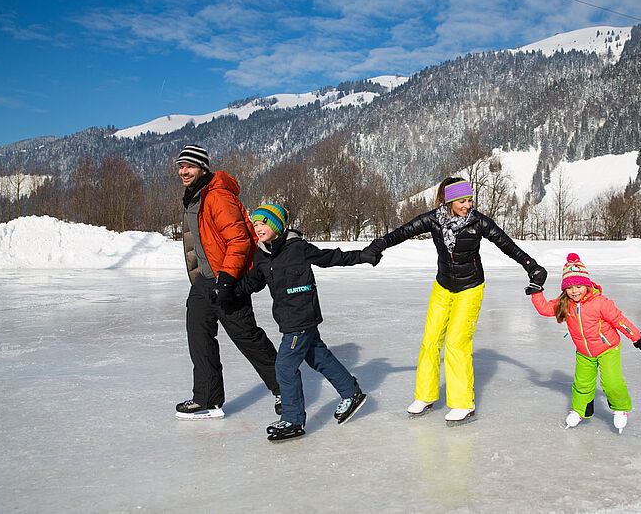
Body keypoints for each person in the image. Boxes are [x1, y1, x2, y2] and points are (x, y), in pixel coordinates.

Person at [366, 177, 547, 425]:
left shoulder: (478, 222)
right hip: (442, 286)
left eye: (470, 200)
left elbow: (507, 244)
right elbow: (405, 231)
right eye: (462, 200)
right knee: (430, 340)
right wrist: (380, 245)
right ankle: (425, 396)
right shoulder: (433, 219)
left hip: (470, 288)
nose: (467, 205)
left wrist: (532, 266)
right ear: (449, 201)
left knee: (456, 343)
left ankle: (463, 404)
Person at [235, 204, 380, 441]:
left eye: (263, 223)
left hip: (301, 317)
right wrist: (227, 291)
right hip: (288, 317)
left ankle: (292, 420)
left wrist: (362, 256)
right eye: (256, 224)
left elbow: (332, 257)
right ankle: (351, 393)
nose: (258, 228)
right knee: (319, 357)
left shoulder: (297, 248)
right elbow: (253, 283)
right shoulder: (262, 254)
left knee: (284, 367)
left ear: (276, 225)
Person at [174, 144, 280, 420]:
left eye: (189, 166)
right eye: (181, 167)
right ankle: (207, 399)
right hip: (203, 282)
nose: (184, 171)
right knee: (199, 336)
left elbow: (240, 240)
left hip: (227, 279)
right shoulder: (194, 195)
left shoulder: (217, 195)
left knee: (248, 338)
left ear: (203, 168)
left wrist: (227, 278)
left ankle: (285, 389)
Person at [529, 253, 641, 433]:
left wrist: (640, 341)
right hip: (584, 352)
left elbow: (620, 321)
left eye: (579, 286)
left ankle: (620, 409)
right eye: (570, 287)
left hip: (608, 348)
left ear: (587, 285)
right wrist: (536, 290)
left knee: (612, 382)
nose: (575, 291)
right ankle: (580, 410)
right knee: (582, 383)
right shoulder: (565, 303)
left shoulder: (600, 303)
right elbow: (544, 308)